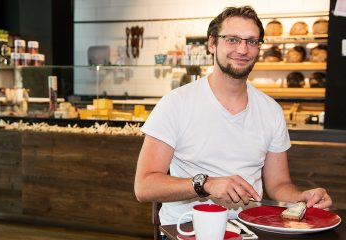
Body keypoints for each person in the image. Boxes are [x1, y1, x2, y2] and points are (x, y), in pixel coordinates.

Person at [134, 6, 332, 227]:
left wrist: (301, 198)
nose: (243, 49)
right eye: (232, 40)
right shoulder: (176, 103)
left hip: (251, 227)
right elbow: (144, 186)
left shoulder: (271, 111)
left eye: (251, 41)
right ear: (211, 44)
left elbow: (278, 185)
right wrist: (205, 184)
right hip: (187, 228)